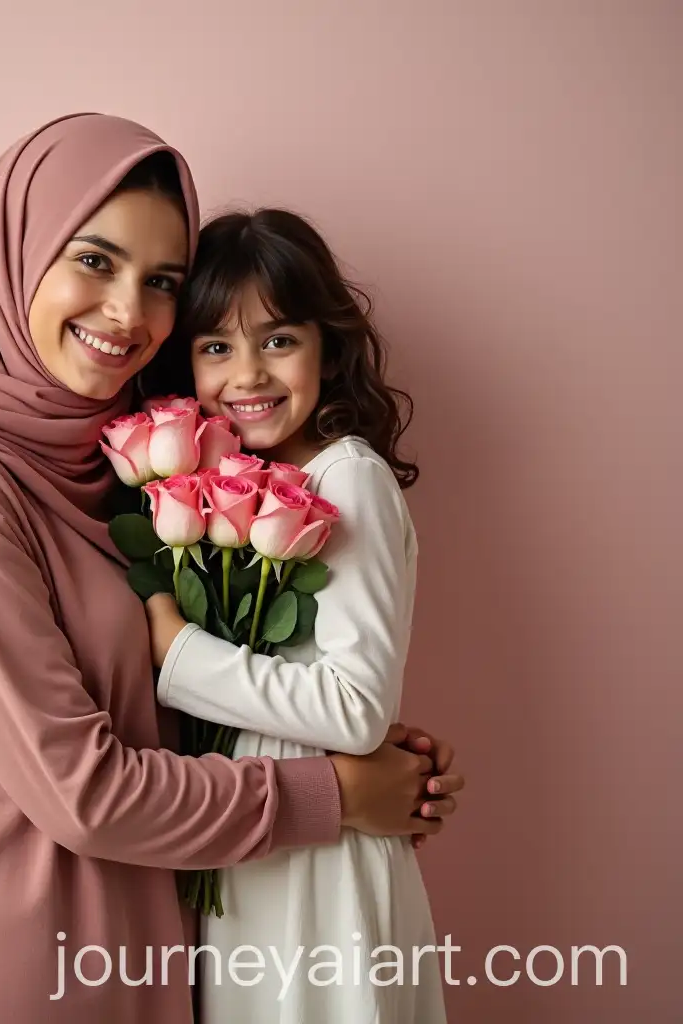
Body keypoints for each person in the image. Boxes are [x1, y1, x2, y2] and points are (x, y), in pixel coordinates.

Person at [0, 115, 463, 1024]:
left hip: (156, 964)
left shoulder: (122, 473)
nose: (129, 313)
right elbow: (84, 791)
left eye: (161, 281)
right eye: (94, 260)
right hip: (19, 978)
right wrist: (337, 794)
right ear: (13, 257)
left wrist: (347, 747)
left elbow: (163, 708)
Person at [142, 208, 450, 1022]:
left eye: (278, 340)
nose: (248, 375)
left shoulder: (349, 479)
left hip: (324, 861)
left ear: (328, 348)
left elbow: (355, 708)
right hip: (257, 838)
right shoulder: (219, 488)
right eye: (216, 347)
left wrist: (179, 651)